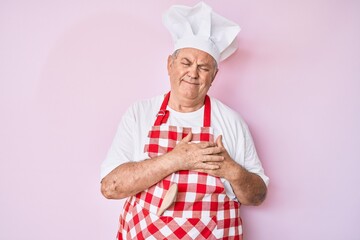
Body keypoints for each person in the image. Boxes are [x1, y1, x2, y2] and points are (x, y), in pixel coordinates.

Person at [100, 2, 269, 239]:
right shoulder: (140, 113)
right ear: (170, 64)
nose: (193, 73)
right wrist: (176, 159)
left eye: (203, 67)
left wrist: (231, 170)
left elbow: (258, 196)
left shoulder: (231, 122)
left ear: (214, 75)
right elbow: (110, 187)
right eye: (186, 63)